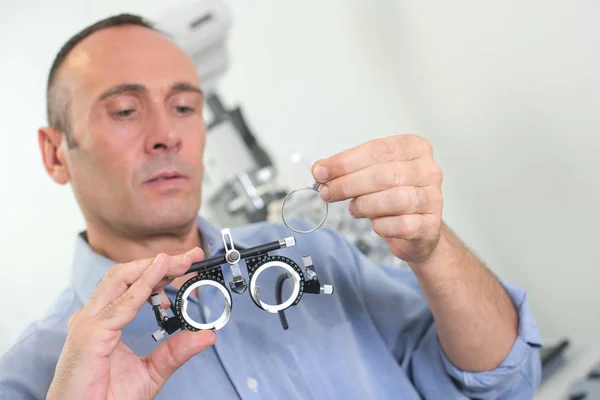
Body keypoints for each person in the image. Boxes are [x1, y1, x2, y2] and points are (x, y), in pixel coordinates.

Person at [0, 13, 542, 400]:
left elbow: (503, 380)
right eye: (124, 110)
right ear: (55, 153)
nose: (167, 134)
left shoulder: (319, 257)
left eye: (185, 105)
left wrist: (433, 247)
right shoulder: (37, 377)